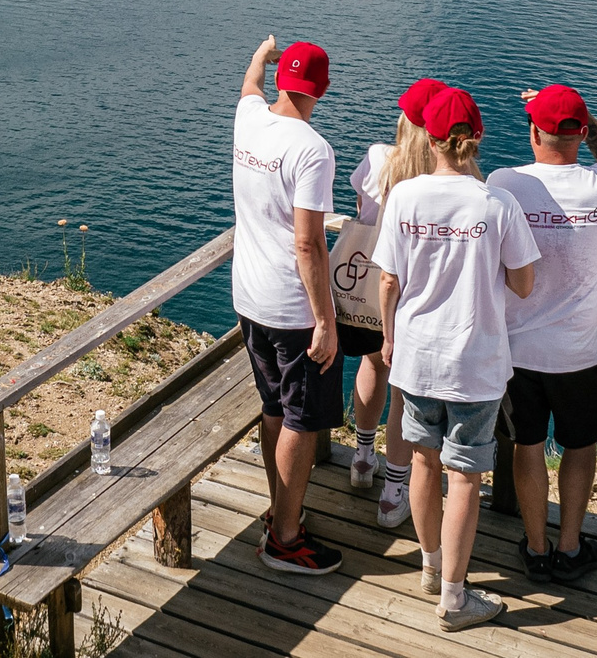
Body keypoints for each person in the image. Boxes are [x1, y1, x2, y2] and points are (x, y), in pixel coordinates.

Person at [375, 86, 540, 633]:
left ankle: (430, 567)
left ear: (429, 139)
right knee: (465, 476)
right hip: (475, 361)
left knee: (422, 461)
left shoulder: (405, 196)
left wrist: (389, 337)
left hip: (416, 354)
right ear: (477, 138)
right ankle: (453, 597)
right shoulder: (497, 203)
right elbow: (523, 283)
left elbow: (389, 280)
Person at [488, 83, 597, 582]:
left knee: (526, 446)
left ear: (533, 133)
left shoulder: (505, 183)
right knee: (579, 447)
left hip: (516, 351)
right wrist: (590, 123)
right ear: (581, 134)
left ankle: (536, 547)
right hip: (580, 353)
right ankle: (570, 548)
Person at [228, 35, 343, 575]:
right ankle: (285, 540)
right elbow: (308, 243)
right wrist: (325, 319)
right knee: (301, 417)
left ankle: (280, 511)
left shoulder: (248, 119)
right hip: (293, 308)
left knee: (274, 407)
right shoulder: (312, 150)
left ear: (280, 79)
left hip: (249, 298)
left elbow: (249, 86)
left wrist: (261, 54)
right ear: (323, 89)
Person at [340, 77, 442, 528]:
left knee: (371, 365)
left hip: (370, 288)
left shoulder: (378, 158)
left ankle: (363, 458)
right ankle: (393, 493)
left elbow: (360, 208)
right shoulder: (438, 182)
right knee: (404, 390)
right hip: (418, 293)